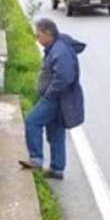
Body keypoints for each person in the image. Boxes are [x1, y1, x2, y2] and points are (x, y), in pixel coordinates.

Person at [18, 18, 85, 180]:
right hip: (57, 97)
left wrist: (49, 94)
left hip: (55, 98)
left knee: (32, 121)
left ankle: (36, 159)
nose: (37, 39)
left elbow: (64, 77)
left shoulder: (60, 51)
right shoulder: (55, 47)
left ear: (48, 33)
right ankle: (57, 169)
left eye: (38, 35)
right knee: (55, 132)